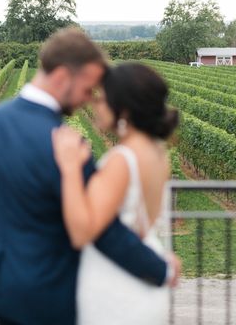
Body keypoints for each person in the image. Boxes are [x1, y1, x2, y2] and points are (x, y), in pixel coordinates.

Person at [0, 27, 180, 325]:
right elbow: (103, 231)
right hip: (54, 292)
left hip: (6, 287)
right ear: (62, 77)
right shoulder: (67, 144)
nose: (87, 100)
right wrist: (161, 270)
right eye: (86, 89)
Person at [52, 62, 179, 324]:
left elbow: (82, 231)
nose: (94, 106)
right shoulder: (158, 153)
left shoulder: (122, 160)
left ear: (123, 109)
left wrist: (70, 168)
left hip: (115, 286)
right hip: (144, 278)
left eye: (101, 100)